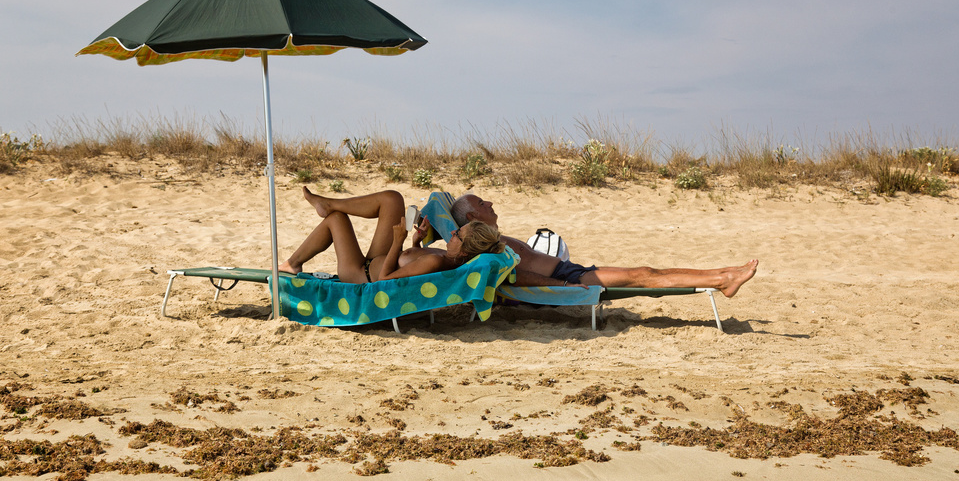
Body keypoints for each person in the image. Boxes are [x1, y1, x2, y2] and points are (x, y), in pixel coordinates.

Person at [451, 193, 757, 297]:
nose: (489, 202)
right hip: (568, 278)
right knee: (643, 275)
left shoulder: (492, 237)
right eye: (481, 203)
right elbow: (514, 276)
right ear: (473, 216)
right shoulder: (485, 245)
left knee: (646, 271)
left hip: (568, 271)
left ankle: (724, 273)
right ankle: (723, 280)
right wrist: (563, 285)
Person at [279, 188, 504, 282]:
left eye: (457, 234)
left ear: (464, 251)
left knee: (336, 219)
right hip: (379, 259)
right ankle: (328, 203)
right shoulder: (449, 257)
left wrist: (398, 241)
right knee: (392, 199)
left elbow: (385, 281)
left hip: (361, 275)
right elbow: (415, 267)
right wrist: (416, 242)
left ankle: (293, 263)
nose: (452, 232)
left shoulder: (437, 260)